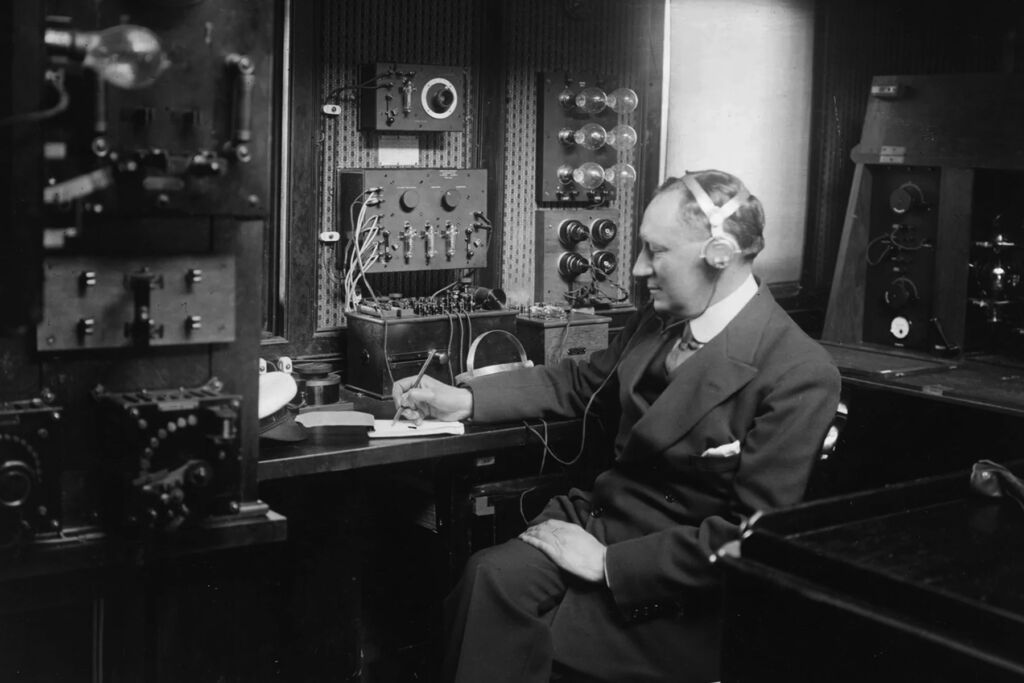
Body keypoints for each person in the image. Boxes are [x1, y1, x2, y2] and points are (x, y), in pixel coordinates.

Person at [392, 169, 841, 683]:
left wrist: (609, 564)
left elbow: (750, 539)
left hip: (673, 581)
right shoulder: (657, 320)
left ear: (718, 254)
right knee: (487, 580)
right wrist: (464, 400)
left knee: (546, 648)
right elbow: (584, 383)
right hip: (600, 522)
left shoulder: (798, 372)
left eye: (656, 251)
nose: (637, 267)